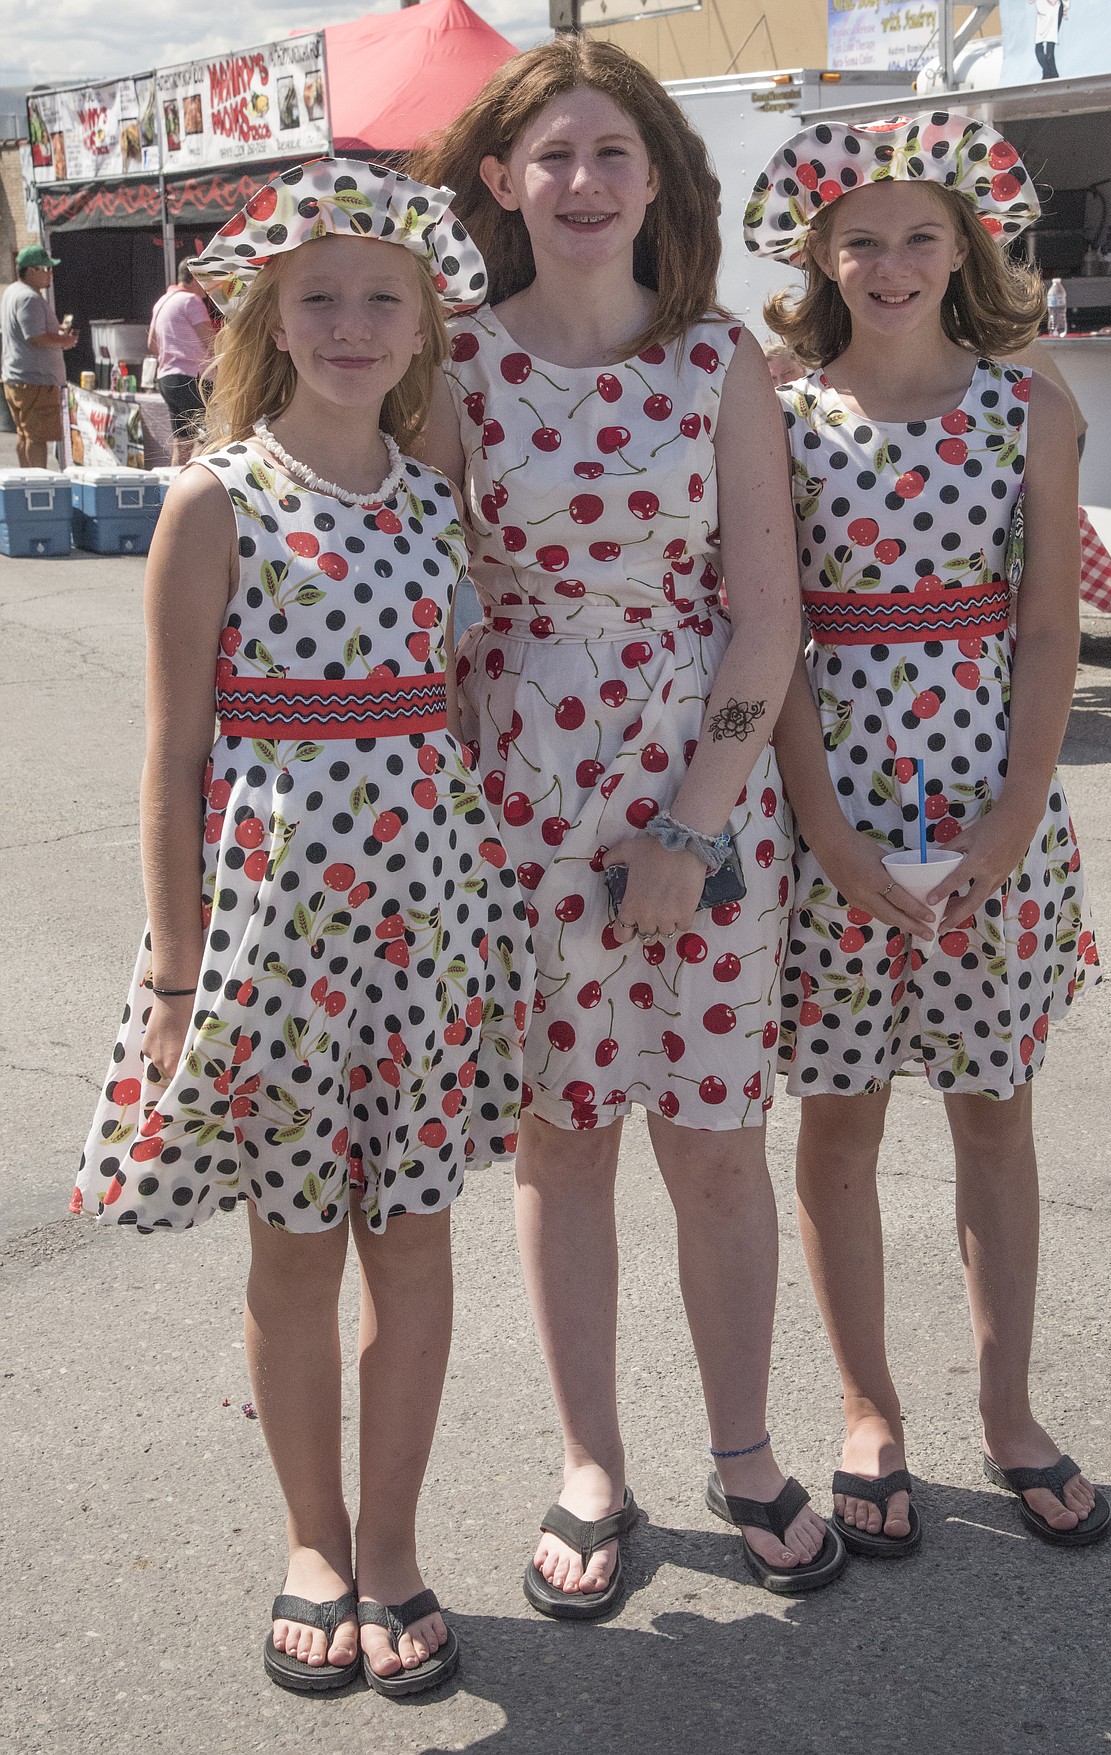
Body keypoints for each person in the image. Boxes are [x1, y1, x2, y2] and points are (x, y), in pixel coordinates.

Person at [72, 158, 531, 1697]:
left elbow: (457, 705)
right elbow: (175, 752)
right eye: (318, 296)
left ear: (423, 327)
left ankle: (393, 1544)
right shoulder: (214, 497)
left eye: (379, 300)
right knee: (293, 1256)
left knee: (412, 1246)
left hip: (422, 935)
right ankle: (313, 1542)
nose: (348, 322)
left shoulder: (432, 508)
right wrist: (180, 963)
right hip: (275, 944)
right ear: (268, 311)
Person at [414, 36, 846, 1614]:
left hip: (698, 785)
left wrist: (693, 823)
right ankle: (591, 1458)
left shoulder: (715, 359)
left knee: (720, 1143)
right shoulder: (446, 362)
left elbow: (764, 614)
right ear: (498, 183)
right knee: (563, 1143)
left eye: (612, 152)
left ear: (655, 177)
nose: (583, 182)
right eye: (552, 156)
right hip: (516, 799)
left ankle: (742, 1446)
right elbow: (434, 609)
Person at [748, 112, 1109, 1556]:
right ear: (818, 254)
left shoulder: (1031, 404)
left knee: (992, 1116)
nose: (888, 262)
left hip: (990, 819)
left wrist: (1016, 808)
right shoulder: (774, 412)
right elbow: (765, 634)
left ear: (966, 241)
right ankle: (864, 1406)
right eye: (859, 237)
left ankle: (1006, 1405)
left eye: (917, 233)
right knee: (836, 1123)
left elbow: (1043, 617)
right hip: (825, 820)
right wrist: (821, 826)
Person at [1, 244, 77, 468]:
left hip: (20, 377)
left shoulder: (13, 291)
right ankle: (38, 484)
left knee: (24, 434)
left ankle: (28, 483)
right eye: (46, 269)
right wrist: (65, 340)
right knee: (36, 437)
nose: (50, 274)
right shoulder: (29, 298)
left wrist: (57, 334)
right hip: (34, 380)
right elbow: (34, 338)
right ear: (31, 270)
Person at [146, 257, 217, 464]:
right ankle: (194, 486)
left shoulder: (162, 302)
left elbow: (152, 345)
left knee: (182, 440)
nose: (209, 287)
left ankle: (173, 489)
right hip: (190, 377)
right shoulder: (190, 301)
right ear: (195, 277)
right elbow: (210, 341)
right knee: (208, 437)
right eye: (206, 278)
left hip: (167, 379)